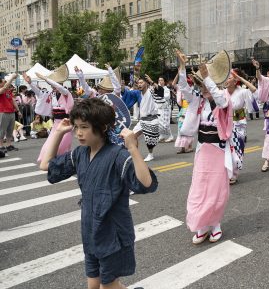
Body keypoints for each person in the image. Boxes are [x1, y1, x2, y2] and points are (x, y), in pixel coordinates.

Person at [40, 98, 158, 289]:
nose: (78, 132)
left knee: (107, 286)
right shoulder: (80, 154)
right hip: (90, 232)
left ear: (102, 127)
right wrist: (59, 132)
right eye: (76, 126)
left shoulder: (118, 156)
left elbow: (146, 183)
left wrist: (133, 148)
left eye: (84, 127)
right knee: (94, 286)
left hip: (113, 235)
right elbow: (46, 165)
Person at [176, 50, 232, 245]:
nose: (201, 86)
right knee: (199, 188)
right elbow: (183, 87)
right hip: (203, 150)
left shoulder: (222, 97)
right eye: (199, 83)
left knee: (217, 190)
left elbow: (221, 101)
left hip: (218, 150)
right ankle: (201, 225)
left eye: (203, 82)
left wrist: (208, 81)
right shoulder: (197, 100)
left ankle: (215, 223)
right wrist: (182, 67)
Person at [23, 72, 75, 162]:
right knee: (51, 142)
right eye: (52, 85)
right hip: (56, 123)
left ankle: (65, 161)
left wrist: (45, 78)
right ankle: (51, 159)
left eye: (54, 84)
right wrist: (30, 83)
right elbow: (39, 93)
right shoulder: (52, 94)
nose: (53, 87)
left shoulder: (66, 93)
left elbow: (59, 88)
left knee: (64, 143)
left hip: (66, 122)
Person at [224, 68, 257, 184]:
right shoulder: (222, 92)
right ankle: (227, 171)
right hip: (225, 123)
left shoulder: (242, 91)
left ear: (235, 81)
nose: (226, 79)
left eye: (229, 77)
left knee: (238, 147)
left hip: (239, 121)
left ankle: (235, 172)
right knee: (226, 149)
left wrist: (241, 78)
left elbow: (253, 89)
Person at [132, 75, 164, 162]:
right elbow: (127, 94)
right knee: (132, 136)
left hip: (152, 119)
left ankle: (150, 154)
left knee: (149, 140)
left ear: (146, 83)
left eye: (141, 82)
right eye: (138, 83)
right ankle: (135, 155)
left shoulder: (151, 91)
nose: (139, 84)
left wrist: (152, 82)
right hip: (142, 120)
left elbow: (161, 91)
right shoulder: (137, 93)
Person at [0, 73, 22, 154]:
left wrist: (18, 110)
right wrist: (12, 77)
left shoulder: (8, 91)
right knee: (1, 130)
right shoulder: (1, 90)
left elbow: (13, 101)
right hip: (3, 112)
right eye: (3, 81)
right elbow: (5, 87)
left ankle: (9, 145)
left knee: (10, 130)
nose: (5, 82)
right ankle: (1, 146)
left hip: (11, 112)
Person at [174, 73, 194, 154]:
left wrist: (193, 78)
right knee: (180, 128)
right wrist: (178, 74)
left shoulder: (192, 89)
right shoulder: (181, 89)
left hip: (189, 110)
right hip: (183, 110)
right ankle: (182, 147)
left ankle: (189, 146)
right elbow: (174, 84)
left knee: (188, 129)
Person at [157, 77, 174, 143]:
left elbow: (166, 97)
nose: (160, 81)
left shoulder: (166, 89)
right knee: (159, 123)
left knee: (165, 124)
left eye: (162, 80)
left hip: (165, 109)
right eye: (159, 80)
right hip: (159, 108)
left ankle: (171, 136)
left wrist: (160, 94)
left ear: (164, 82)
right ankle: (162, 135)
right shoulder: (157, 89)